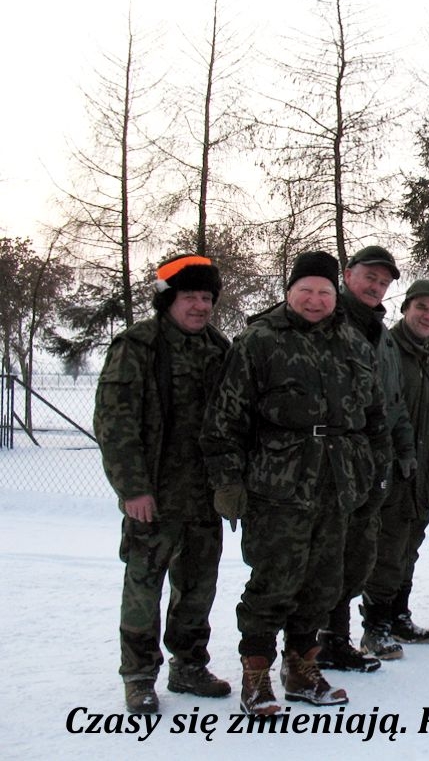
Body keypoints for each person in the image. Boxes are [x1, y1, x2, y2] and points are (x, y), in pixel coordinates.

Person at [201, 251, 390, 715]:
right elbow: (224, 420)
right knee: (274, 583)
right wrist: (228, 482)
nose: (315, 300)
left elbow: (375, 416)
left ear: (335, 295)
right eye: (306, 290)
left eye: (324, 292)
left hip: (338, 484)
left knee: (323, 584)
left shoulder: (353, 342)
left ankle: (302, 669)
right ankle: (256, 675)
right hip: (278, 487)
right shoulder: (259, 341)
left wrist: (374, 474)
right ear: (289, 292)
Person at [95, 255, 232, 714]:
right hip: (153, 495)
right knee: (143, 585)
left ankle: (189, 665)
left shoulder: (218, 347)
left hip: (204, 495)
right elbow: (115, 423)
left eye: (207, 298)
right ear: (168, 299)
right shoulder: (138, 346)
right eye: (190, 297)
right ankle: (138, 675)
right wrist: (132, 488)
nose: (200, 306)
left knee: (198, 586)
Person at [316, 246, 416, 672]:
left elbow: (394, 401)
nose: (376, 286)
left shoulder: (382, 334)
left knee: (358, 554)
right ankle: (318, 642)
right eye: (369, 277)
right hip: (332, 461)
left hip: (373, 461)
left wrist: (404, 448)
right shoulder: (327, 321)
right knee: (328, 555)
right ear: (348, 274)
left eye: (383, 281)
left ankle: (336, 640)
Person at [361, 278, 429, 654]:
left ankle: (399, 615)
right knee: (386, 550)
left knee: (410, 548)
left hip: (426, 471)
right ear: (405, 308)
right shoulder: (384, 348)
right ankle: (376, 625)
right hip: (390, 469)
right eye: (422, 308)